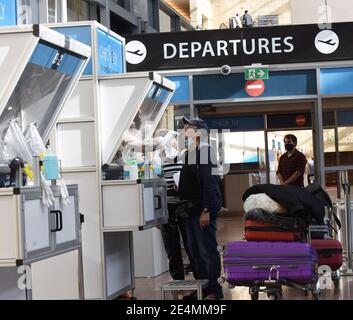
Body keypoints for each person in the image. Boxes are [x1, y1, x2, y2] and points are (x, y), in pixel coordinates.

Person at [178, 117, 223, 300]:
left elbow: (209, 183)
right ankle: (201, 289)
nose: (184, 129)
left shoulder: (205, 151)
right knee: (195, 253)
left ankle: (214, 290)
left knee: (207, 252)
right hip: (190, 210)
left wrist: (206, 210)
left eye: (188, 126)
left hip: (201, 211)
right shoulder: (191, 152)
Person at [160, 154, 194, 282]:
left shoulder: (185, 159)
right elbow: (156, 184)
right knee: (171, 247)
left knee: (190, 243)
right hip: (167, 207)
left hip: (184, 205)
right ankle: (178, 280)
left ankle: (198, 278)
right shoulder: (160, 161)